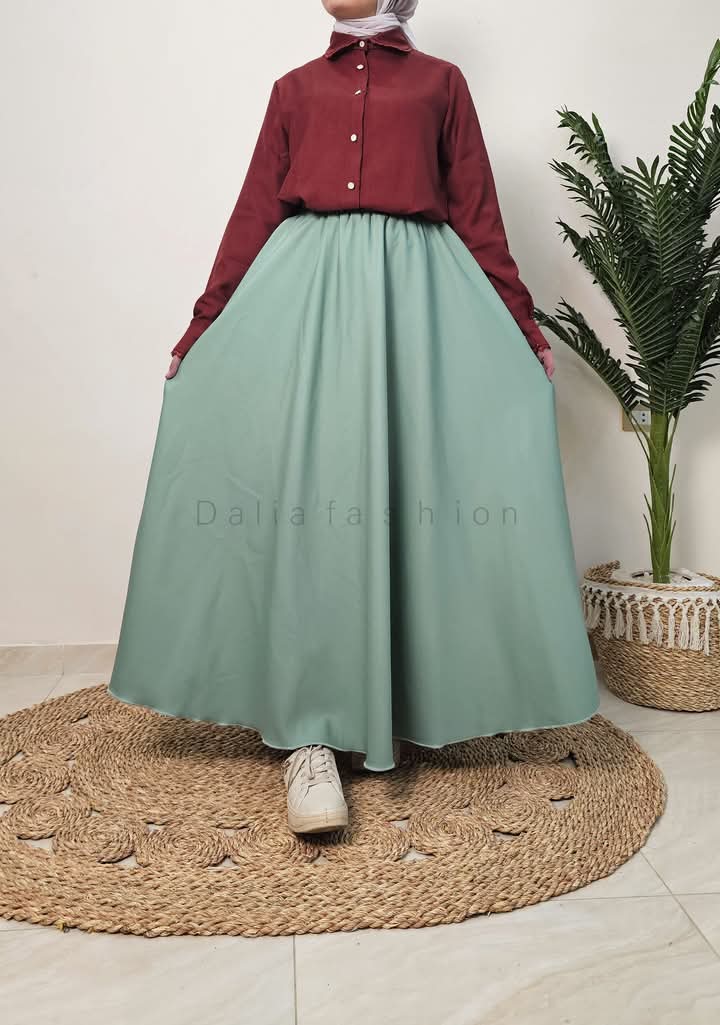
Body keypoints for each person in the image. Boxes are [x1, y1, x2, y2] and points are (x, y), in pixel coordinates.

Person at [108, 0, 600, 835]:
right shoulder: (294, 88)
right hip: (306, 304)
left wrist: (522, 329)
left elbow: (478, 211)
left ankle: (393, 701)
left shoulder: (443, 84)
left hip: (418, 308)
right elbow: (254, 212)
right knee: (316, 508)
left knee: (407, 503)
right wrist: (203, 325)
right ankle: (309, 732)